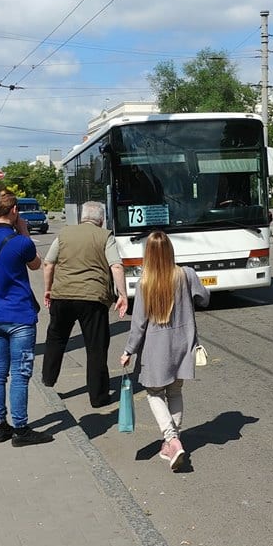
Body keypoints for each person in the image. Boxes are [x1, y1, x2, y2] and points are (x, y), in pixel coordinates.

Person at [120, 230, 210, 472]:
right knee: (175, 392)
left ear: (147, 254)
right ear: (170, 250)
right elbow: (204, 297)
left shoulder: (145, 284)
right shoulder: (186, 275)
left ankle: (171, 439)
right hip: (183, 344)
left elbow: (139, 323)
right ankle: (171, 444)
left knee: (154, 393)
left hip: (156, 349)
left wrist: (128, 350)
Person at [0, 190, 53, 446]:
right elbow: (35, 264)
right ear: (15, 211)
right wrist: (24, 231)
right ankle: (21, 430)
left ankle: (0, 426)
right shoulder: (22, 242)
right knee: (20, 375)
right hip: (20, 316)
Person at [41, 201, 128, 406]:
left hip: (62, 296)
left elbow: (48, 263)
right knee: (96, 347)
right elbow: (116, 266)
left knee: (56, 338)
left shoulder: (64, 234)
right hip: (92, 299)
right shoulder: (105, 236)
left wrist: (48, 289)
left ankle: (48, 379)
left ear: (82, 217)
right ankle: (98, 397)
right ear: (101, 219)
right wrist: (122, 294)